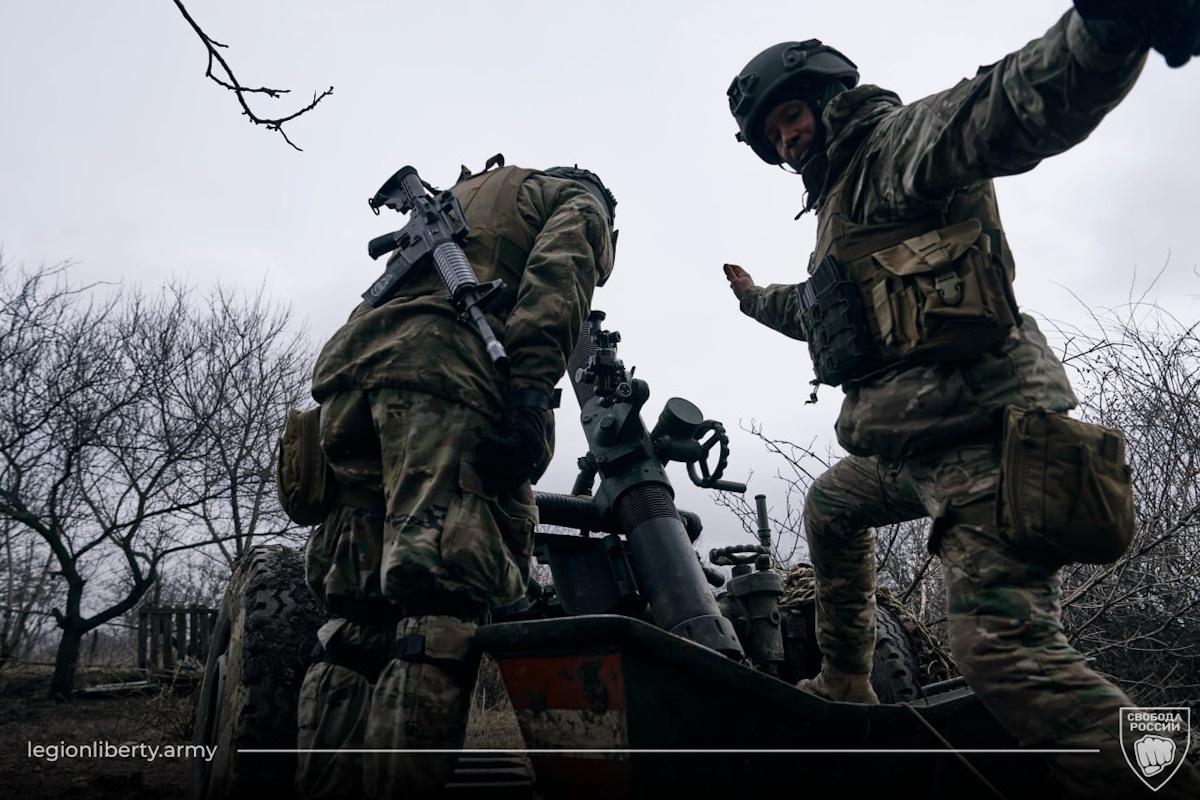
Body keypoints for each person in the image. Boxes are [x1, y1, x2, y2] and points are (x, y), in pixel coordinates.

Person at [724, 4, 1200, 797]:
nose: (788, 139)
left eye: (793, 117)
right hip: (914, 457)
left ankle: (1173, 779)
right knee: (831, 505)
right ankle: (846, 679)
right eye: (774, 135)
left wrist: (1109, 30)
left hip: (987, 447)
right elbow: (821, 312)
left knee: (1006, 659)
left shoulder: (891, 146)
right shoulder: (843, 209)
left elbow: (1003, 108)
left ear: (827, 98)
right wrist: (751, 300)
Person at [294, 158, 616, 798]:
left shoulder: (467, 198)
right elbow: (557, 285)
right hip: (442, 375)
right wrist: (527, 394)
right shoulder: (579, 198)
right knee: (438, 604)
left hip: (348, 384)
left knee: (354, 622)